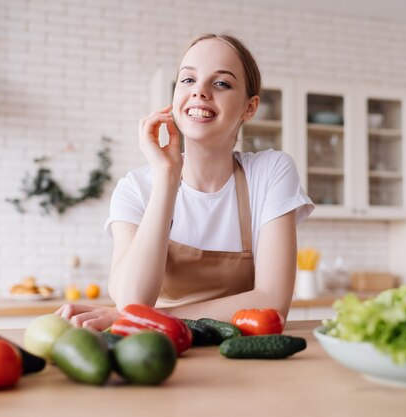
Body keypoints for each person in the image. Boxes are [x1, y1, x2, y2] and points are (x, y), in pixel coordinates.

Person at [56, 33, 314, 330]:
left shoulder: (270, 173)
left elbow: (271, 303)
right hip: (161, 352)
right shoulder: (136, 188)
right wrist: (167, 177)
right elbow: (131, 299)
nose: (200, 92)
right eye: (188, 80)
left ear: (250, 107)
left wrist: (151, 317)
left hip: (243, 355)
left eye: (221, 83)